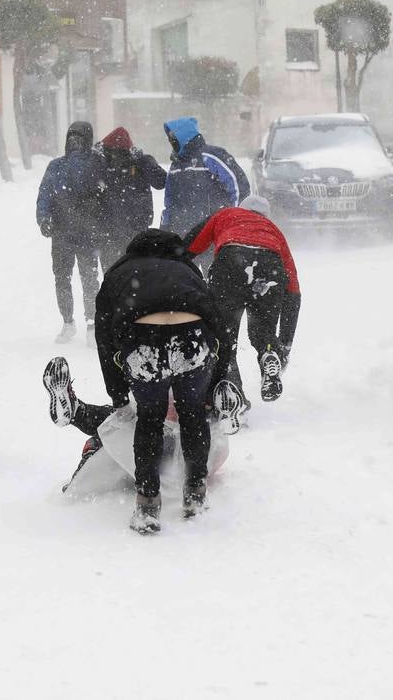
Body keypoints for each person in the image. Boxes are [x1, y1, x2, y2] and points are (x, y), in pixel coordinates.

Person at [93, 228, 239, 534]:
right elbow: (218, 320)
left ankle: (147, 504)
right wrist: (217, 380)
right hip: (192, 336)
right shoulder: (186, 268)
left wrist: (117, 392)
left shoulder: (120, 271)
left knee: (150, 417)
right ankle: (195, 493)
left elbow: (104, 338)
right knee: (192, 413)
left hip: (142, 339)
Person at [42, 356, 239, 499]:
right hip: (195, 445)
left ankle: (76, 411)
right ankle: (216, 414)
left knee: (114, 422)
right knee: (197, 429)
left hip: (153, 445)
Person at [186, 196, 302, 406]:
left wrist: (172, 264)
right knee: (262, 331)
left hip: (231, 262)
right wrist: (284, 344)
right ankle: (269, 354)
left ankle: (231, 390)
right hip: (270, 266)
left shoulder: (226, 214)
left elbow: (192, 246)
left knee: (225, 337)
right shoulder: (273, 230)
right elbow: (293, 290)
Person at [36, 121, 103, 344]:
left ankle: (92, 324)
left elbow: (105, 195)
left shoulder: (97, 163)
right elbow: (44, 195)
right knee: (62, 278)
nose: (74, 140)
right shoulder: (55, 166)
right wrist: (43, 218)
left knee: (89, 279)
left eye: (79, 136)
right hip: (61, 233)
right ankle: (68, 322)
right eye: (71, 136)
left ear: (88, 139)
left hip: (88, 232)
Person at [160, 117, 251, 237]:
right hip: (181, 235)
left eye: (174, 136)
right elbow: (170, 200)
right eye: (169, 138)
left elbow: (238, 186)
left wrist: (234, 221)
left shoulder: (211, 156)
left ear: (184, 135)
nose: (171, 141)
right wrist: (164, 227)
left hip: (213, 231)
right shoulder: (176, 165)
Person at [94, 127, 167, 273]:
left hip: (114, 232)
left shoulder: (103, 163)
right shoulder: (102, 163)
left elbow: (161, 181)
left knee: (112, 277)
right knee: (137, 276)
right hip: (131, 230)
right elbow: (161, 181)